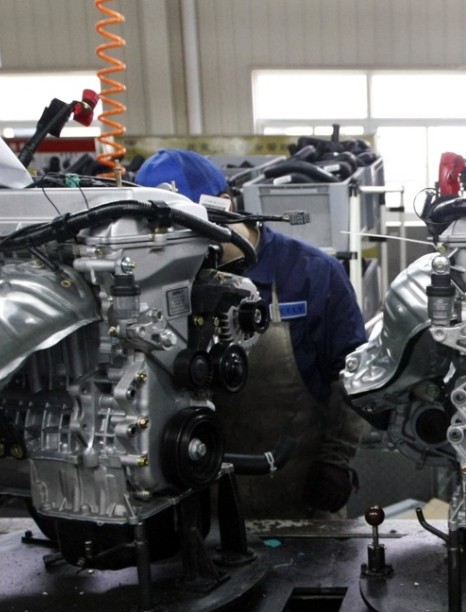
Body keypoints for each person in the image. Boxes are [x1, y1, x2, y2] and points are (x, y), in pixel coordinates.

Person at [136, 149, 369, 519]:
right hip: (197, 512)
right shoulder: (162, 282)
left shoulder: (312, 274)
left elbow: (354, 376)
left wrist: (336, 461)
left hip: (299, 501)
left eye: (189, 229)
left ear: (225, 205)